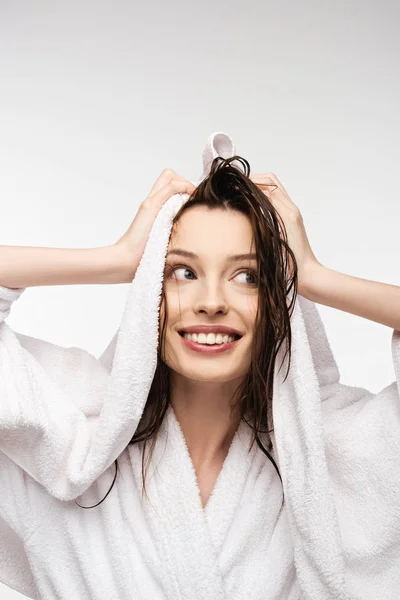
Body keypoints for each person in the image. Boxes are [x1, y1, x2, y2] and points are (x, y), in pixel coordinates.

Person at [0, 132, 399, 600]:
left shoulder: (328, 458)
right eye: (183, 272)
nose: (211, 302)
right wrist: (116, 260)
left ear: (279, 302)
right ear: (151, 288)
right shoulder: (74, 436)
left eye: (248, 276)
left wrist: (312, 274)